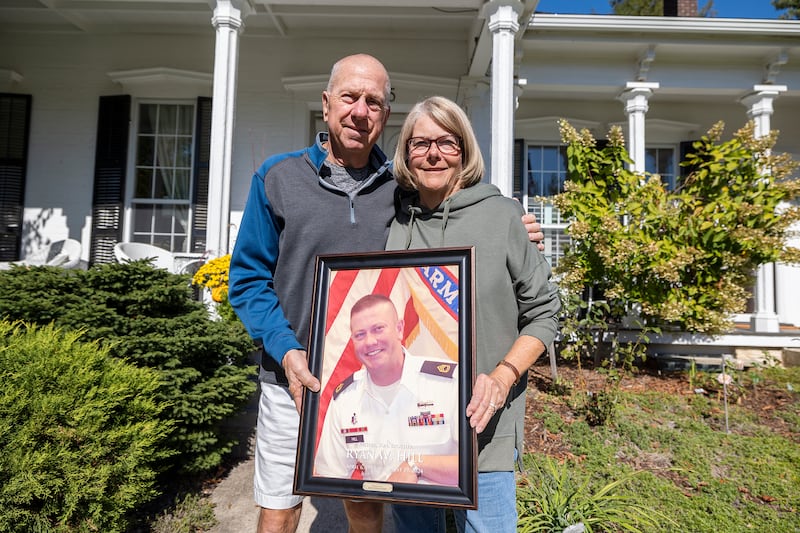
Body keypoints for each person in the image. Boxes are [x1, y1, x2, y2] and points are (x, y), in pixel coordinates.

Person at [228, 53, 543, 533]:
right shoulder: (277, 178)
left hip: (371, 381)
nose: (360, 111)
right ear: (327, 103)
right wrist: (286, 351)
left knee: (366, 501)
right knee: (279, 507)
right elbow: (248, 279)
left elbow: (452, 215)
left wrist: (512, 228)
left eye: (373, 101)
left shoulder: (400, 189)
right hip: (293, 376)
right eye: (350, 97)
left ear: (385, 115)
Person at [386, 96, 561, 533]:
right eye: (420, 143)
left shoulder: (503, 217)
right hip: (407, 427)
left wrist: (503, 376)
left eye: (447, 142)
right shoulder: (394, 222)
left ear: (464, 151)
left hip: (483, 425)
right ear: (406, 152)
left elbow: (544, 312)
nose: (432, 154)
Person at [315, 294, 459, 485]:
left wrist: (415, 465)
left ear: (399, 329)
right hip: (385, 506)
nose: (370, 341)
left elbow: (475, 464)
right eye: (360, 335)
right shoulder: (345, 399)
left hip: (452, 504)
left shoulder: (448, 383)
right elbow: (331, 475)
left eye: (378, 329)